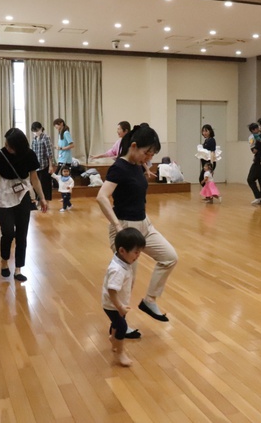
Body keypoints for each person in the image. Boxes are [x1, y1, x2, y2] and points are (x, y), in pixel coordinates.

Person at [96, 124, 178, 328]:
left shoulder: (137, 165)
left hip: (144, 224)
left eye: (152, 154)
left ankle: (149, 301)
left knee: (169, 257)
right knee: (126, 282)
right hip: (126, 228)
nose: (148, 158)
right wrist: (117, 227)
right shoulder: (119, 167)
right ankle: (119, 326)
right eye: (146, 153)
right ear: (133, 146)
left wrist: (146, 167)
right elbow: (101, 197)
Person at [0, 128, 48, 283]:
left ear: (19, 145)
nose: (7, 147)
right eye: (6, 144)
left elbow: (34, 178)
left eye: (10, 145)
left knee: (22, 233)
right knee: (7, 232)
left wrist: (42, 198)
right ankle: (4, 261)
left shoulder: (29, 155)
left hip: (22, 196)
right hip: (3, 195)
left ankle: (18, 268)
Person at [102, 227, 146, 367]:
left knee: (117, 323)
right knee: (122, 326)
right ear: (122, 251)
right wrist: (119, 306)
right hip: (112, 305)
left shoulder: (123, 261)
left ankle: (113, 338)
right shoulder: (117, 270)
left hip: (118, 303)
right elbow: (112, 290)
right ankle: (120, 353)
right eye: (136, 252)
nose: (138, 256)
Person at [30, 121, 54, 202]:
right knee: (36, 184)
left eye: (37, 130)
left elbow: (49, 152)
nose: (35, 132)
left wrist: (50, 166)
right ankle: (38, 201)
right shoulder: (34, 139)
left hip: (44, 165)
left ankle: (46, 202)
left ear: (41, 129)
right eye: (34, 131)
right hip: (36, 165)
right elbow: (32, 152)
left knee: (45, 184)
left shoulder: (46, 137)